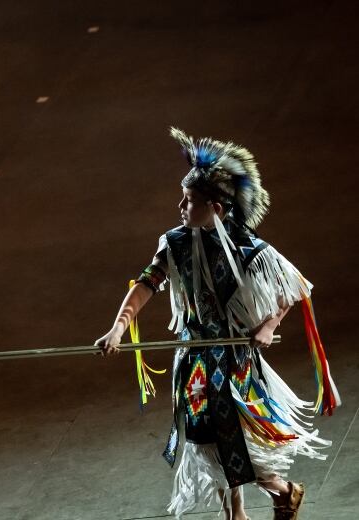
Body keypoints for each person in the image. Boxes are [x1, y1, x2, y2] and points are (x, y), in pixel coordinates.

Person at [94, 127, 339, 520]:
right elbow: (146, 284)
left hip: (236, 360)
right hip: (193, 358)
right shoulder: (174, 243)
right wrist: (118, 327)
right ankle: (235, 515)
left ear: (217, 208)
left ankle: (284, 491)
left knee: (238, 441)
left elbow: (296, 287)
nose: (180, 206)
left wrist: (268, 326)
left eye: (190, 201)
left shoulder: (249, 249)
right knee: (206, 439)